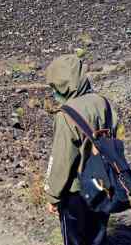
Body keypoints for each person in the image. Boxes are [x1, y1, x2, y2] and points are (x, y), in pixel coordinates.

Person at [44, 54, 118, 245]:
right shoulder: (104, 103)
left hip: (77, 191)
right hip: (104, 183)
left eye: (54, 86)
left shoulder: (66, 115)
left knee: (76, 239)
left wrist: (52, 195)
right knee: (98, 237)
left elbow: (62, 159)